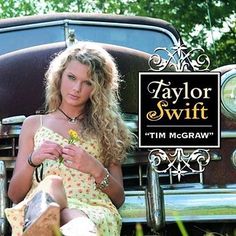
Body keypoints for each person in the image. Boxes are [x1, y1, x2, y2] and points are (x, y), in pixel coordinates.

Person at [5, 42, 134, 236]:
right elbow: (14, 195)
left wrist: (95, 168)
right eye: (71, 77)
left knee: (65, 213)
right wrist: (33, 159)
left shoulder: (107, 128)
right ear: (59, 77)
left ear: (97, 88)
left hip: (93, 209)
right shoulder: (34, 124)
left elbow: (118, 198)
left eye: (88, 82)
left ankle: (64, 226)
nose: (76, 88)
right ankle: (77, 228)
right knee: (53, 185)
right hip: (42, 206)